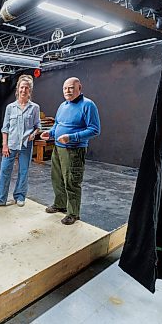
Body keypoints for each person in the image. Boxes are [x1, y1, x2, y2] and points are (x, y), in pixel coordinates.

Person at [41, 77, 100, 225]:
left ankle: (73, 213)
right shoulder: (62, 106)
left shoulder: (88, 105)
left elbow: (94, 129)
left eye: (71, 88)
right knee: (57, 179)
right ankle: (60, 204)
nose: (67, 91)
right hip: (58, 148)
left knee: (72, 181)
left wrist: (71, 137)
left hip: (74, 150)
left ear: (79, 88)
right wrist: (50, 133)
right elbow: (57, 125)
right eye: (65, 88)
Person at [0, 75, 41, 208]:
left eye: (27, 88)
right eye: (22, 87)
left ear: (30, 91)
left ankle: (20, 196)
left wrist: (33, 134)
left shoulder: (34, 108)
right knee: (5, 170)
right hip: (11, 144)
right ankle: (0, 199)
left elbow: (38, 126)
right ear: (17, 89)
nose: (24, 90)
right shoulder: (10, 107)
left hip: (26, 145)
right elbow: (5, 128)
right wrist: (4, 145)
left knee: (24, 171)